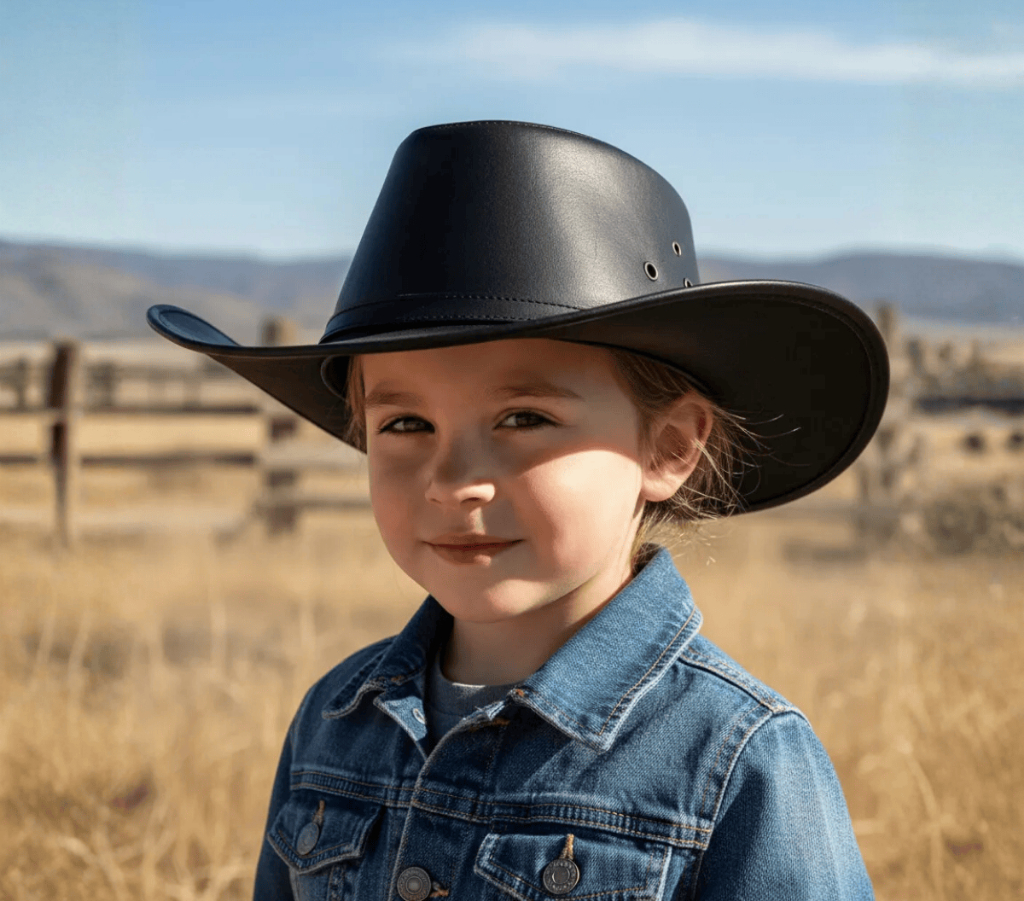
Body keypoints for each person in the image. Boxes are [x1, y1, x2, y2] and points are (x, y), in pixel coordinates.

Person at [148, 120, 887, 899]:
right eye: (405, 424)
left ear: (668, 448)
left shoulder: (736, 758)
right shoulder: (335, 722)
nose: (451, 481)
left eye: (523, 419)